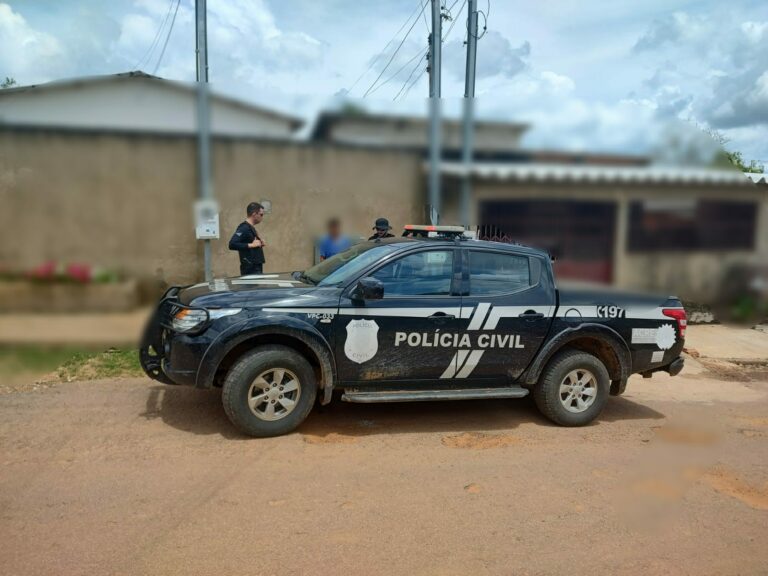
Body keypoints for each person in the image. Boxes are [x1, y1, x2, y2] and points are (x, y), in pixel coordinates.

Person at [228, 202, 266, 275]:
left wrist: (259, 243)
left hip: (255, 267)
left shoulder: (250, 227)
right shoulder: (244, 228)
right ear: (254, 214)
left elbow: (251, 244)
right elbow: (232, 244)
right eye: (261, 214)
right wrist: (251, 245)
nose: (262, 217)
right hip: (250, 269)